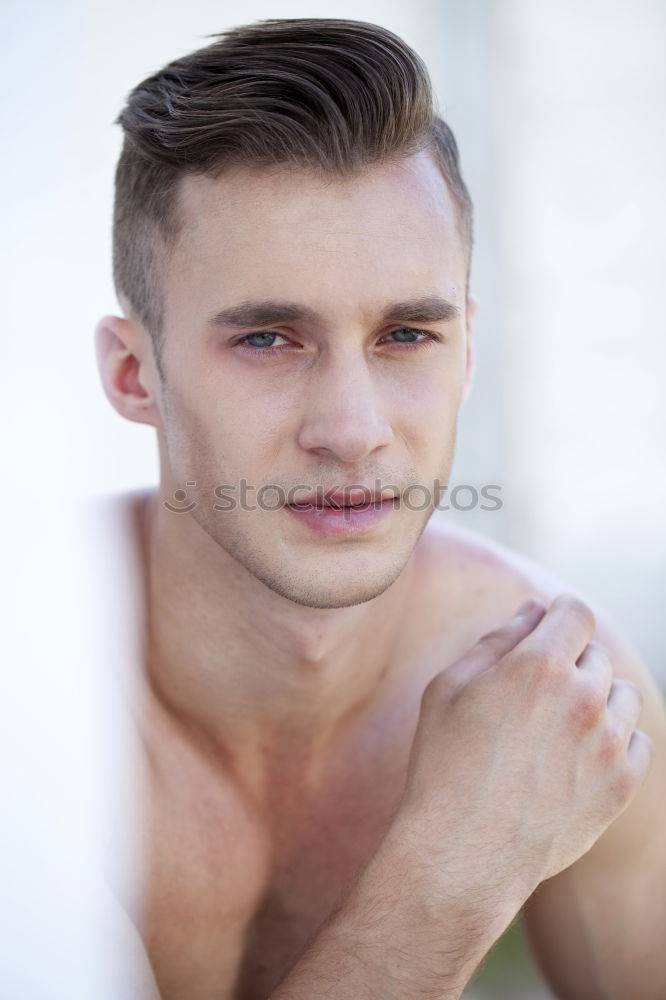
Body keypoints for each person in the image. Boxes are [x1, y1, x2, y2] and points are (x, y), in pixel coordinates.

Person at [94, 18, 666, 1000]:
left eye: (406, 333)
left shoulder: (561, 692)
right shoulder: (33, 706)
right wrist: (450, 874)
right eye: (269, 339)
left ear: (469, 354)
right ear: (133, 372)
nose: (352, 429)